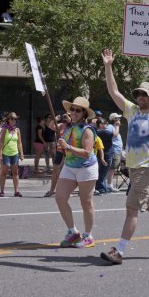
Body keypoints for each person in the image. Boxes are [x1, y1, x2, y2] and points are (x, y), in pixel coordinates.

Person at [100, 49, 149, 264]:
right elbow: (114, 92)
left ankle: (120, 250)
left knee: (131, 207)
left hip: (148, 168)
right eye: (139, 94)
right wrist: (108, 65)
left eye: (145, 95)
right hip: (134, 166)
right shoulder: (132, 111)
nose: (141, 97)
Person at [55, 97, 98, 248]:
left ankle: (88, 236)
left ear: (84, 113)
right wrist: (61, 146)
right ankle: (72, 232)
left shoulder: (87, 130)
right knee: (60, 197)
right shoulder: (68, 127)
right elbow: (51, 127)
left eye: (78, 110)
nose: (73, 112)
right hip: (69, 166)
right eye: (72, 109)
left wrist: (67, 147)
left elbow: (87, 152)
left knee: (86, 202)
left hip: (86, 168)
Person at [44, 112, 71, 198]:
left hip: (68, 151)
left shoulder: (73, 126)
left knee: (65, 171)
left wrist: (69, 118)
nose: (66, 117)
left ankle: (67, 191)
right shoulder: (61, 125)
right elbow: (51, 126)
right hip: (59, 151)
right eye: (66, 115)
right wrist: (55, 119)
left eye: (69, 115)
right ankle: (52, 190)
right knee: (55, 171)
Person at [0, 112, 24, 197]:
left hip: (15, 153)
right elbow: (1, 142)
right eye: (12, 118)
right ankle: (2, 191)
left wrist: (21, 153)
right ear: (8, 120)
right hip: (6, 153)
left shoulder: (17, 130)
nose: (14, 120)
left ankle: (16, 191)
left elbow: (19, 142)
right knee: (4, 172)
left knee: (15, 172)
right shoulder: (5, 129)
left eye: (15, 119)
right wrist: (0, 154)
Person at [95, 117, 114, 194]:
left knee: (101, 172)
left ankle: (100, 187)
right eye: (105, 123)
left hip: (100, 153)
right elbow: (115, 134)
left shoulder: (95, 132)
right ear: (100, 124)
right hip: (106, 154)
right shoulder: (105, 132)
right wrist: (117, 126)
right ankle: (101, 188)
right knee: (103, 172)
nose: (107, 124)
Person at [105, 112, 123, 193]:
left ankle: (108, 184)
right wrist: (117, 126)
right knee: (111, 169)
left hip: (117, 151)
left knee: (113, 169)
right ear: (114, 119)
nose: (119, 119)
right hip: (113, 150)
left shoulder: (115, 127)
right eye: (117, 118)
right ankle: (109, 185)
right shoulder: (110, 127)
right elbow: (114, 135)